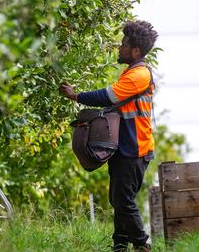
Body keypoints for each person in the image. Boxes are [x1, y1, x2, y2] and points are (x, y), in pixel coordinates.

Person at [59, 20, 158, 252]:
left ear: (135, 51)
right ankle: (120, 245)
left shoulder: (140, 75)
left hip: (135, 148)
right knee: (120, 199)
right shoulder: (131, 73)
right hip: (125, 146)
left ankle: (142, 245)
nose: (119, 47)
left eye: (123, 44)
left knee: (122, 200)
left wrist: (76, 96)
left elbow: (108, 96)